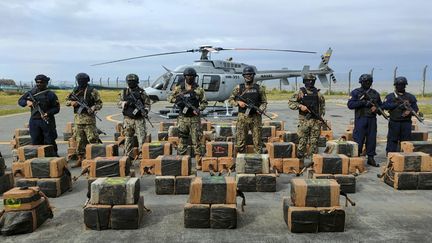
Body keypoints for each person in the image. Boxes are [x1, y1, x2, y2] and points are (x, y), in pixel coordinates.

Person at [168, 67, 208, 169]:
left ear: (195, 77)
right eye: (188, 76)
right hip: (182, 119)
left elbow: (204, 102)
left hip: (194, 119)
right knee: (182, 140)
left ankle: (199, 162)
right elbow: (170, 98)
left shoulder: (199, 89)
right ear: (184, 77)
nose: (190, 78)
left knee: (197, 141)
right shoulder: (179, 88)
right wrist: (178, 101)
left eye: (192, 76)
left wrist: (199, 109)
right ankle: (181, 162)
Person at [66, 73, 103, 167]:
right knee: (79, 141)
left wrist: (94, 107)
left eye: (82, 80)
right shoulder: (75, 90)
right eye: (79, 80)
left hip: (89, 120)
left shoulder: (92, 91)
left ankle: (96, 159)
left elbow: (99, 103)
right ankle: (81, 159)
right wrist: (72, 103)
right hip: (78, 121)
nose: (80, 82)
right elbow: (66, 101)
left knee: (93, 139)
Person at [228, 66, 267, 154]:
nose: (249, 76)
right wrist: (238, 103)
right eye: (247, 75)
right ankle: (240, 163)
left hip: (256, 117)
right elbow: (230, 99)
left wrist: (260, 109)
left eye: (250, 74)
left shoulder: (259, 88)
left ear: (253, 75)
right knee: (240, 142)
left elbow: (264, 102)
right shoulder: (239, 88)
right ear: (244, 76)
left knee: (257, 142)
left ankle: (257, 162)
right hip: (242, 117)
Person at [18, 74, 60, 155]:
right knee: (35, 141)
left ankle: (53, 157)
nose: (39, 84)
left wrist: (48, 113)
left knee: (49, 141)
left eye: (41, 82)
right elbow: (20, 101)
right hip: (34, 120)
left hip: (47, 120)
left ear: (46, 83)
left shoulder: (50, 94)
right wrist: (27, 102)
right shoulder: (31, 93)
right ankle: (38, 159)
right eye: (37, 82)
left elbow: (56, 108)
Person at [347, 74, 382, 167]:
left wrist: (377, 109)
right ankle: (356, 157)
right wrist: (363, 103)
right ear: (361, 82)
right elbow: (350, 105)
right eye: (365, 82)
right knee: (358, 138)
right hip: (360, 118)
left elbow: (381, 106)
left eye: (369, 82)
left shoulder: (375, 93)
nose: (367, 83)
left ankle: (371, 158)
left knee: (371, 139)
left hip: (372, 119)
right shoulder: (356, 92)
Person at [288, 73, 325, 159]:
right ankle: (300, 161)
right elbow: (291, 103)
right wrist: (300, 106)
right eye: (308, 81)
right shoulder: (300, 93)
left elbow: (322, 108)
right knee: (302, 141)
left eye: (312, 81)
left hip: (316, 122)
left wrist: (321, 119)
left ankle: (312, 162)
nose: (310, 82)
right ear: (305, 81)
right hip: (304, 121)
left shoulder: (319, 94)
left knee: (314, 142)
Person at [382, 76, 419, 154]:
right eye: (398, 84)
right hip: (394, 122)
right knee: (392, 139)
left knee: (406, 141)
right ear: (395, 85)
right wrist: (396, 104)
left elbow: (415, 109)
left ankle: (405, 157)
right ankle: (390, 156)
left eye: (402, 84)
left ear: (405, 85)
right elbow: (384, 106)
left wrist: (409, 111)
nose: (400, 86)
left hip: (406, 122)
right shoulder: (390, 96)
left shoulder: (410, 97)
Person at [118, 74, 151, 159]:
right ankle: (128, 156)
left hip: (139, 119)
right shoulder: (124, 92)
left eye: (133, 82)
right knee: (128, 138)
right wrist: (125, 103)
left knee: (142, 138)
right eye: (129, 82)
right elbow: (118, 103)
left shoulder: (142, 92)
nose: (131, 83)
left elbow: (147, 104)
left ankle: (142, 155)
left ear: (137, 82)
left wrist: (146, 110)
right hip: (128, 119)